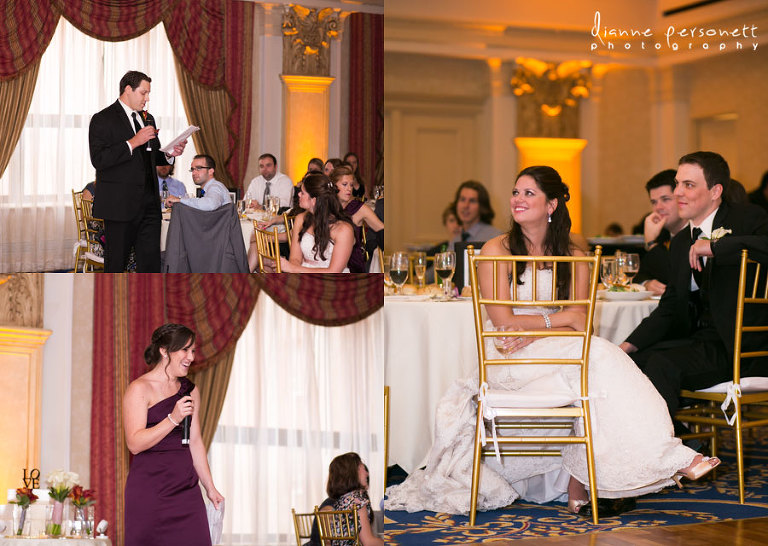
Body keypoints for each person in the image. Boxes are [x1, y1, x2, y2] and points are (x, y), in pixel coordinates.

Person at [385, 165, 719, 518]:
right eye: (516, 192)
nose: (518, 199)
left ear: (552, 204)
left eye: (529, 193)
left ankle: (588, 478)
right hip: (508, 357)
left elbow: (582, 321)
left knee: (596, 367)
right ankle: (668, 458)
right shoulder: (497, 249)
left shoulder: (573, 252)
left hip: (555, 350)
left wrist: (539, 327)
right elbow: (505, 324)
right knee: (600, 358)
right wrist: (560, 320)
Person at [620, 152, 768, 432]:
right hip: (700, 343)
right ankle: (682, 441)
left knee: (661, 365)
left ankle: (667, 449)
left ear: (715, 191)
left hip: (740, 348)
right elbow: (669, 307)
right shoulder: (680, 243)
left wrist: (714, 247)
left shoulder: (747, 218)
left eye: (688, 185)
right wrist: (627, 345)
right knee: (630, 364)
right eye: (678, 184)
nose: (678, 192)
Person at [123, 323, 223, 546]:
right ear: (164, 351)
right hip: (149, 491)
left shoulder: (190, 390)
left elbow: (195, 441)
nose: (191, 357)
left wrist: (210, 487)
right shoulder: (139, 388)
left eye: (193, 351)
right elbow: (134, 443)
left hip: (186, 491)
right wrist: (173, 419)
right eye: (185, 350)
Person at [89, 70, 186, 272]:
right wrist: (133, 142)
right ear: (128, 90)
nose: (147, 98)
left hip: (150, 205)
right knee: (116, 265)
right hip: (119, 206)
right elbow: (99, 160)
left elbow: (154, 156)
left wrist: (170, 154)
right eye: (143, 93)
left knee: (150, 265)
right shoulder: (102, 119)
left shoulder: (148, 118)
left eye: (148, 93)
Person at [280, 173, 354, 273]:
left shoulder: (343, 230)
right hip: (303, 273)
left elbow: (334, 272)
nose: (299, 194)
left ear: (313, 200)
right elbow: (295, 259)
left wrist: (293, 268)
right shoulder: (300, 219)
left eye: (302, 193)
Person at [308, 453, 383, 546]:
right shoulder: (357, 501)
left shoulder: (341, 501)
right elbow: (368, 542)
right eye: (363, 468)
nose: (367, 473)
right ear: (353, 472)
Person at [635, 169, 687, 295]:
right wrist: (647, 284)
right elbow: (639, 274)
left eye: (665, 199)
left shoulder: (696, 234)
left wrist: (651, 243)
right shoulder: (661, 234)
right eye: (654, 202)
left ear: (682, 199)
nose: (658, 207)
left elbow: (677, 278)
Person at [331, 165, 384, 273]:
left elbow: (382, 230)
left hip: (352, 265)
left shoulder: (359, 208)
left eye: (351, 185)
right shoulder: (326, 207)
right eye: (344, 184)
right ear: (333, 186)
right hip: (327, 261)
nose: (349, 189)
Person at [448, 180, 502, 250]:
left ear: (482, 206)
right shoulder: (455, 241)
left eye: (472, 201)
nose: (465, 206)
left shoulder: (495, 237)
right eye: (462, 199)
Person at [165, 155, 230, 211]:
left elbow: (210, 204)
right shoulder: (207, 189)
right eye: (192, 169)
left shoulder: (215, 187)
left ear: (210, 171)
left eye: (199, 168)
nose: (194, 173)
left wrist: (180, 200)